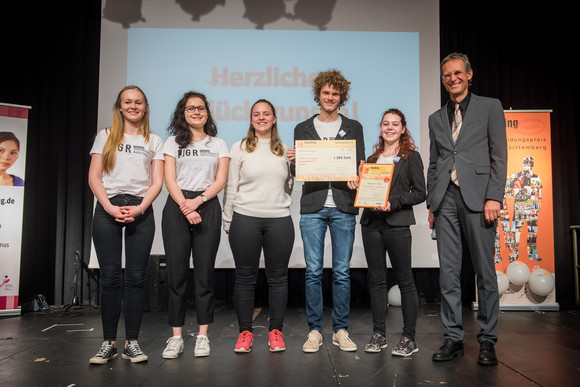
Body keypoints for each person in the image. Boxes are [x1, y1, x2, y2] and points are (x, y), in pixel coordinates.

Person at [427, 53, 507, 366]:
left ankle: (487, 340)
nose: (453, 79)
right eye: (447, 75)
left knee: (484, 272)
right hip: (445, 199)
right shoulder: (436, 118)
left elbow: (498, 155)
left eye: (458, 73)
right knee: (448, 273)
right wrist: (432, 202)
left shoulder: (490, 106)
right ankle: (453, 338)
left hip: (479, 199)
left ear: (469, 74)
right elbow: (435, 164)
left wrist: (494, 197)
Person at [287, 69, 365, 353]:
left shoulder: (354, 127)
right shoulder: (302, 128)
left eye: (335, 93)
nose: (330, 97)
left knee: (342, 272)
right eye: (325, 93)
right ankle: (315, 331)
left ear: (341, 97)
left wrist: (359, 177)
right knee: (313, 272)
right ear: (318, 95)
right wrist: (294, 161)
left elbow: (360, 166)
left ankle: (340, 330)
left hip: (344, 205)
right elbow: (300, 172)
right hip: (312, 206)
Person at [88, 85, 164, 364]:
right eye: (128, 102)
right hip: (107, 208)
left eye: (139, 102)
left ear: (145, 107)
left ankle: (132, 341)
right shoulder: (105, 136)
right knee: (109, 279)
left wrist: (141, 208)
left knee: (135, 280)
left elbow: (157, 182)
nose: (133, 106)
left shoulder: (154, 140)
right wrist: (108, 206)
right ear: (120, 107)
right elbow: (94, 177)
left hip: (140, 210)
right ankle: (108, 343)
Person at [161, 91, 230, 359]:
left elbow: (220, 180)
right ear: (183, 112)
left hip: (208, 206)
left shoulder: (218, 144)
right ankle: (176, 337)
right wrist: (185, 205)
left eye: (201, 108)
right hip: (178, 208)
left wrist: (198, 201)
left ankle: (202, 336)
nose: (197, 112)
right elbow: (170, 179)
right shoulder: (171, 143)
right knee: (177, 276)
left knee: (204, 276)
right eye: (191, 109)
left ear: (207, 112)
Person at [223, 99, 294, 353]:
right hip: (245, 218)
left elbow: (289, 186)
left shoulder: (285, 150)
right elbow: (231, 186)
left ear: (274, 119)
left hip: (279, 220)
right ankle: (245, 333)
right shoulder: (239, 147)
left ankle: (276, 332)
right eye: (256, 114)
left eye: (266, 114)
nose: (261, 118)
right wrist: (228, 219)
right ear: (251, 119)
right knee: (244, 279)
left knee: (278, 279)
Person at [360, 108, 425, 355]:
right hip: (371, 225)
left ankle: (409, 338)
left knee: (405, 281)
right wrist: (357, 183)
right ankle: (379, 335)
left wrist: (393, 202)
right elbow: (366, 193)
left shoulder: (411, 157)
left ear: (403, 129)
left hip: (397, 225)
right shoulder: (372, 158)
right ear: (381, 128)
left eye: (395, 124)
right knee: (376, 281)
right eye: (385, 123)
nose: (389, 127)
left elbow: (420, 192)